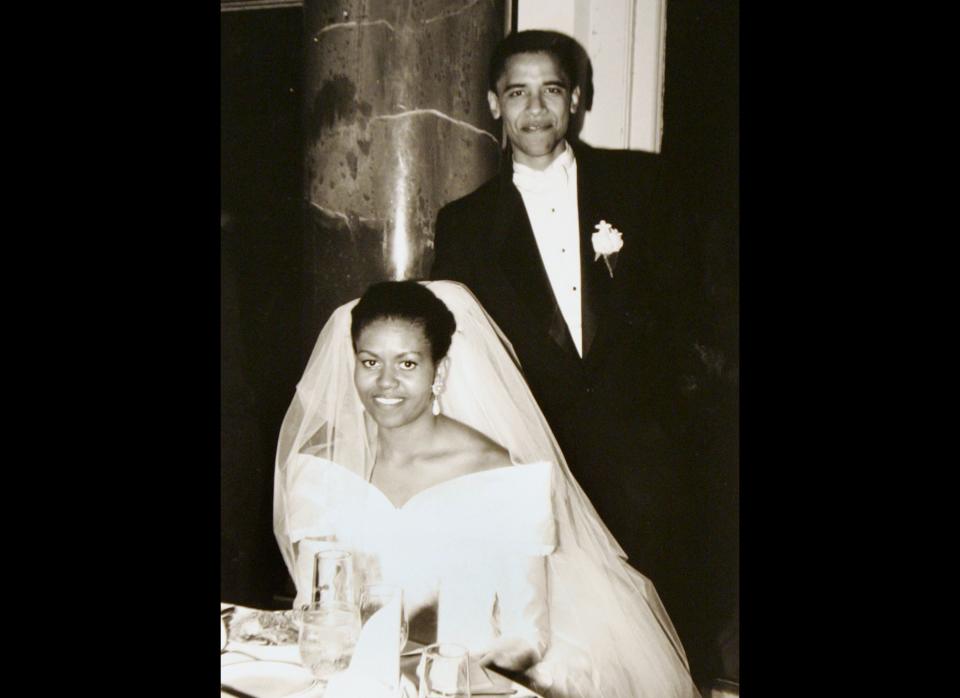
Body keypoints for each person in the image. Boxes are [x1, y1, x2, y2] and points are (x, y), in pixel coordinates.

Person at [274, 280, 699, 697]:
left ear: (439, 371)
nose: (385, 382)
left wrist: (431, 681)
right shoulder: (323, 470)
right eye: (370, 362)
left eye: (407, 364)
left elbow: (526, 636)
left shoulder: (498, 475)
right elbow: (316, 609)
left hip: (464, 683)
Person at [431, 29, 699, 657]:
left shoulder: (644, 185)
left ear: (575, 99)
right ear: (494, 104)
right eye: (517, 92)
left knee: (662, 629)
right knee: (564, 640)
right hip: (537, 458)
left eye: (551, 90)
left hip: (647, 454)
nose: (535, 108)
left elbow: (688, 309)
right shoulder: (464, 223)